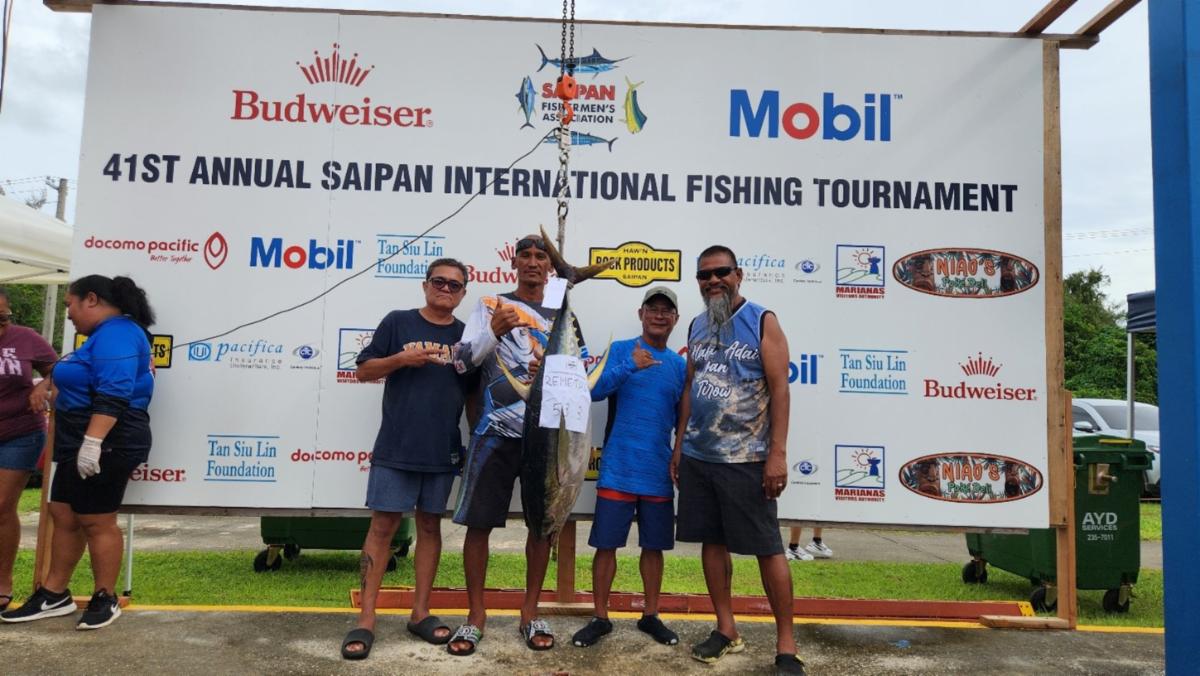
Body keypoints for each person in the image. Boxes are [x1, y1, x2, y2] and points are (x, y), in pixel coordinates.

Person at [670, 246, 806, 675]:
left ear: (738, 275)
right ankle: (726, 628)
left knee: (768, 550)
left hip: (748, 459)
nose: (713, 281)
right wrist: (678, 447)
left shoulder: (763, 321)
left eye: (721, 272)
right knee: (712, 544)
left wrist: (777, 455)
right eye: (704, 275)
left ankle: (787, 645)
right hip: (699, 458)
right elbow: (691, 388)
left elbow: (780, 390)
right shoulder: (696, 324)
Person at [446, 233, 577, 655]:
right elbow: (463, 361)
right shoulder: (490, 305)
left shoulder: (562, 314)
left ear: (550, 269)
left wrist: (555, 368)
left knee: (542, 525)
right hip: (494, 433)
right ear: (514, 263)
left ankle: (530, 611)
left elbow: (578, 373)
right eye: (526, 255)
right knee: (479, 525)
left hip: (545, 438)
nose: (534, 262)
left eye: (542, 256)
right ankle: (475, 616)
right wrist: (493, 335)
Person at [1, 275, 155, 630]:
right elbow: (77, 372)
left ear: (91, 299)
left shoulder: (118, 332)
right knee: (64, 514)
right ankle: (54, 593)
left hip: (108, 437)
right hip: (77, 435)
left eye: (69, 304)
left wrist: (93, 443)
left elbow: (115, 391)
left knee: (96, 519)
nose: (68, 314)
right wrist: (50, 385)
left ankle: (105, 596)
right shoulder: (101, 335)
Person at [340, 258, 475, 660]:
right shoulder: (397, 322)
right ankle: (365, 619)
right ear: (425, 285)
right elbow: (363, 370)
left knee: (431, 528)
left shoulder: (467, 337)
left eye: (455, 285)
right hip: (396, 448)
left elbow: (471, 395)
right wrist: (402, 359)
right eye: (439, 281)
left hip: (442, 450)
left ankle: (420, 613)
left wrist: (477, 444)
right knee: (382, 528)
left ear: (463, 293)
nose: (446, 289)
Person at [571, 286, 686, 649]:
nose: (659, 315)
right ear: (641, 314)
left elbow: (684, 416)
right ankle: (600, 617)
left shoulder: (680, 366)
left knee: (654, 548)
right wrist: (629, 366)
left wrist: (678, 451)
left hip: (657, 472)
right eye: (653, 308)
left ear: (675, 320)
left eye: (667, 310)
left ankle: (650, 615)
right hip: (619, 467)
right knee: (606, 546)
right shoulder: (622, 350)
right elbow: (592, 390)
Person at [0, 289, 58, 613]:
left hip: (19, 433)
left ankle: (3, 582)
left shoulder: (26, 339)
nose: (1, 326)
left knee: (2, 506)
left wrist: (42, 384)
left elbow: (60, 369)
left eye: (4, 318)